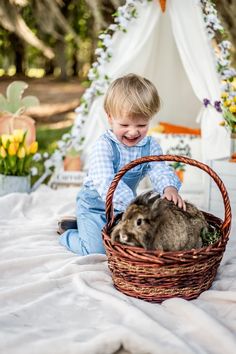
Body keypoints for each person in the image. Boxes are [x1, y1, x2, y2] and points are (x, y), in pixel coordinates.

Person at [58, 73, 185, 255]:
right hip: (95, 206)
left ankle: (86, 227)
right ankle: (69, 234)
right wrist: (134, 206)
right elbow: (106, 182)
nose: (133, 132)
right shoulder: (104, 145)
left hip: (123, 210)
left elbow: (160, 169)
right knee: (97, 250)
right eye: (124, 124)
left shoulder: (150, 146)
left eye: (141, 125)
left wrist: (169, 188)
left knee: (133, 243)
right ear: (110, 118)